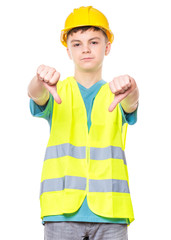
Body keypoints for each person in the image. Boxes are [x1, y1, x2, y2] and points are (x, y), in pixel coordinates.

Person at [28, 6, 139, 240]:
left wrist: (133, 88)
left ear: (107, 47)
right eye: (77, 43)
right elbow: (36, 95)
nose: (85, 49)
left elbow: (131, 103)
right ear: (68, 50)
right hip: (61, 212)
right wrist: (39, 81)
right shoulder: (57, 90)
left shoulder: (117, 91)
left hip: (111, 213)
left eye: (94, 42)